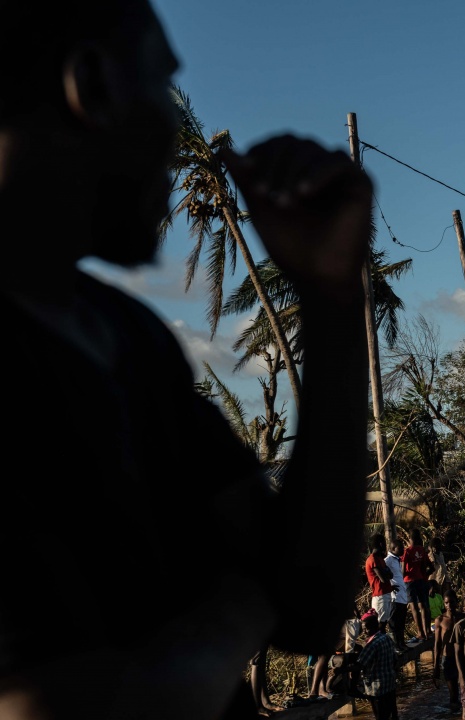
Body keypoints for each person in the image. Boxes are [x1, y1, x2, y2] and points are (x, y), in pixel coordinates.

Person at [0, 3, 374, 718]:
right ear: (96, 84)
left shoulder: (122, 335)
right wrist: (247, 597)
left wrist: (330, 300)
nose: (177, 138)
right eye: (164, 88)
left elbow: (312, 606)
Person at [356, 612, 399, 720]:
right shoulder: (387, 638)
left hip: (377, 688)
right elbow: (395, 659)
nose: (364, 632)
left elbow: (360, 664)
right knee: (392, 714)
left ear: (374, 628)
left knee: (380, 716)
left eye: (366, 629)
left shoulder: (372, 644)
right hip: (389, 683)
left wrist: (340, 670)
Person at [402, 529, 433, 645]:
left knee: (413, 607)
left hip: (409, 581)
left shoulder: (407, 551)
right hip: (421, 580)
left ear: (410, 539)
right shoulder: (421, 550)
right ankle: (428, 631)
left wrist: (400, 581)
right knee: (424, 605)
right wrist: (425, 574)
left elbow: (403, 570)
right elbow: (431, 566)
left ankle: (420, 632)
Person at [432, 591, 461, 711]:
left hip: (461, 658)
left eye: (451, 602)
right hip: (448, 659)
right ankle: (455, 714)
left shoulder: (462, 617)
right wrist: (436, 667)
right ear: (444, 604)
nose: (449, 605)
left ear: (456, 602)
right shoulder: (440, 620)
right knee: (453, 692)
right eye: (446, 603)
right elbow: (437, 644)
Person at [366, 534, 397, 631]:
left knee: (384, 622)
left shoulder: (380, 559)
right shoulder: (373, 559)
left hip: (385, 593)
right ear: (380, 544)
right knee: (380, 624)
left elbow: (390, 575)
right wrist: (386, 574)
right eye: (384, 543)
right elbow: (383, 578)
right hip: (380, 595)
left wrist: (386, 574)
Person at [385, 539, 410, 651]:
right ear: (393, 549)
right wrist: (389, 587)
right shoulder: (388, 560)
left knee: (401, 622)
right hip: (394, 597)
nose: (403, 549)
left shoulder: (397, 560)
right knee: (394, 623)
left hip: (402, 597)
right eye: (400, 547)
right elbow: (382, 574)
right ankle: (395, 646)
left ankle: (401, 643)